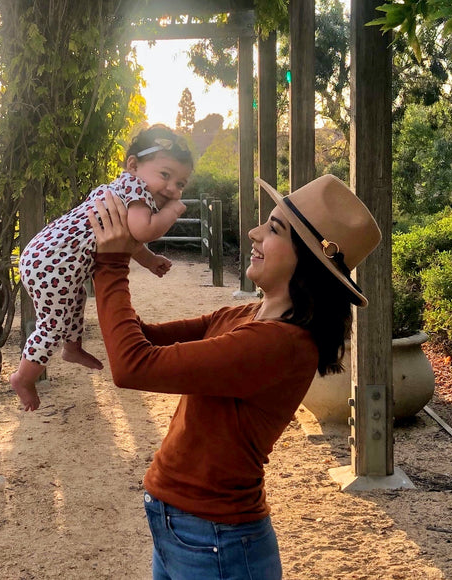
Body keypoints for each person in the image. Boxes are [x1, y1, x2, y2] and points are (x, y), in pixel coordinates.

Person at [86, 174, 381, 579]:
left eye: (274, 229)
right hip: (187, 528)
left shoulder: (280, 344)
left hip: (215, 541)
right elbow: (142, 339)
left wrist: (113, 264)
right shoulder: (244, 315)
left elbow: (132, 365)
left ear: (306, 261)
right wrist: (100, 260)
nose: (254, 232)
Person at [10, 125, 194, 411]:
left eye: (180, 184)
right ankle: (23, 378)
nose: (172, 189)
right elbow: (142, 231)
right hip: (51, 262)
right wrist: (172, 211)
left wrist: (149, 261)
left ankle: (71, 349)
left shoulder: (125, 190)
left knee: (74, 302)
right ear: (133, 165)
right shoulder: (136, 190)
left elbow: (128, 240)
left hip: (48, 256)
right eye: (165, 175)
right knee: (52, 324)